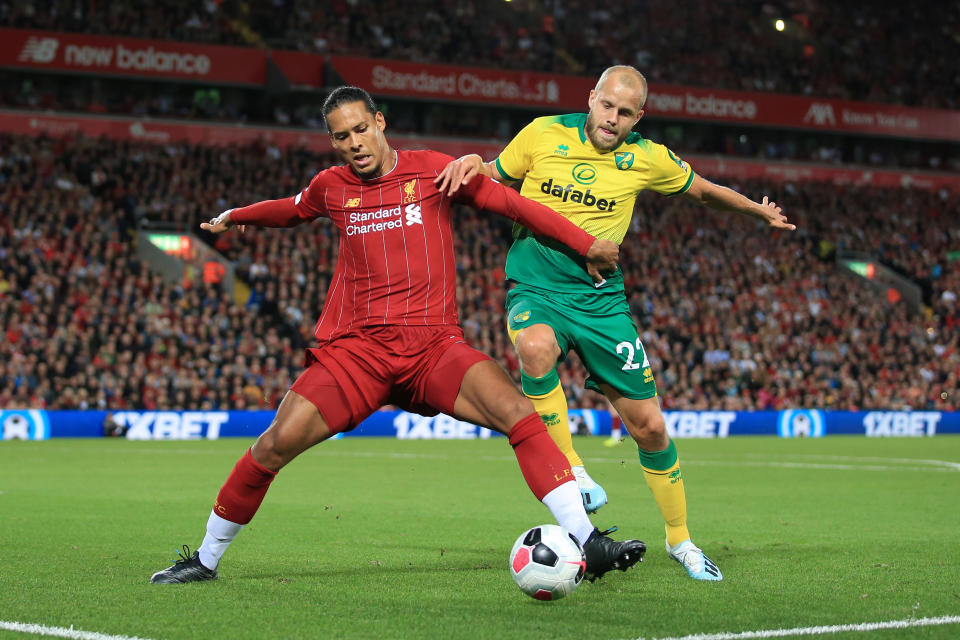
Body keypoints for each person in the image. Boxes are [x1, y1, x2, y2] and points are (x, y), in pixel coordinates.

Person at [150, 86, 646, 584]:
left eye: (361, 129)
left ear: (380, 122)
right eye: (342, 137)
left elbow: (516, 207)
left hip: (433, 349)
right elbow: (291, 208)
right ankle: (204, 561)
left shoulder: (434, 170)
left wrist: (586, 245)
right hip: (358, 355)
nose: (355, 144)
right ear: (333, 142)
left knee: (518, 413)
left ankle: (588, 541)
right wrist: (237, 216)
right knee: (273, 444)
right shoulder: (332, 186)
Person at [435, 65, 796, 581]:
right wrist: (473, 160)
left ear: (638, 117)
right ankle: (573, 470)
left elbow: (703, 191)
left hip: (602, 302)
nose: (613, 119)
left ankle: (681, 541)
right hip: (536, 285)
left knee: (649, 427)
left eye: (626, 113)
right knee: (535, 348)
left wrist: (756, 213)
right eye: (607, 106)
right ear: (592, 98)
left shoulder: (646, 157)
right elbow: (492, 174)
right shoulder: (543, 134)